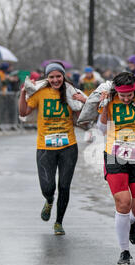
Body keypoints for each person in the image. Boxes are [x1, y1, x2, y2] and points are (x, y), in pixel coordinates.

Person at [96, 72, 135, 265]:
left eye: (129, 95)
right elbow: (101, 129)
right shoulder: (109, 99)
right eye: (122, 96)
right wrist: (106, 106)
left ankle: (131, 222)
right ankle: (124, 251)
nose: (125, 99)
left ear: (134, 90)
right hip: (115, 154)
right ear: (116, 91)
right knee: (123, 202)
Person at [18, 62, 84, 235]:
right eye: (52, 77)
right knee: (48, 187)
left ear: (63, 76)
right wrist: (23, 93)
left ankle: (59, 222)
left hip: (68, 146)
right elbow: (23, 113)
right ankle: (48, 200)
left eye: (58, 76)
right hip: (45, 146)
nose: (55, 80)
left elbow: (82, 118)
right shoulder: (40, 92)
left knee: (64, 185)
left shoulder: (70, 92)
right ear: (47, 78)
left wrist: (82, 102)